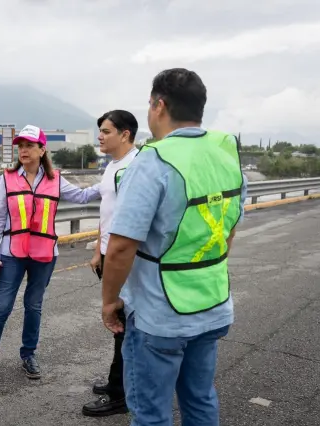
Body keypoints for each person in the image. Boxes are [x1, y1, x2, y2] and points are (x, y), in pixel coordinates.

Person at [101, 68, 248, 426]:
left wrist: (109, 302)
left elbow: (120, 247)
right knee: (199, 400)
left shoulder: (154, 160)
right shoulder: (225, 153)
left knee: (151, 413)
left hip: (161, 316)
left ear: (159, 106)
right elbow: (228, 229)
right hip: (213, 303)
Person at [0, 124, 102, 390]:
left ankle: (28, 355)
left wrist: (111, 180)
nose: (24, 150)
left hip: (44, 254)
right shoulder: (6, 178)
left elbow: (84, 196)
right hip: (12, 254)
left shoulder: (56, 179)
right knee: (1, 308)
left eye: (29, 145)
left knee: (34, 306)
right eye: (21, 146)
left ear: (42, 149)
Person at [82, 110, 139, 418]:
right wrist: (98, 253)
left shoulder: (135, 166)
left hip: (124, 260)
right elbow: (108, 212)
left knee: (123, 327)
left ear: (125, 134)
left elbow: (129, 224)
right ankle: (116, 383)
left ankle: (121, 394)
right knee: (119, 328)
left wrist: (111, 256)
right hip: (108, 256)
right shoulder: (112, 166)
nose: (100, 136)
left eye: (105, 131)